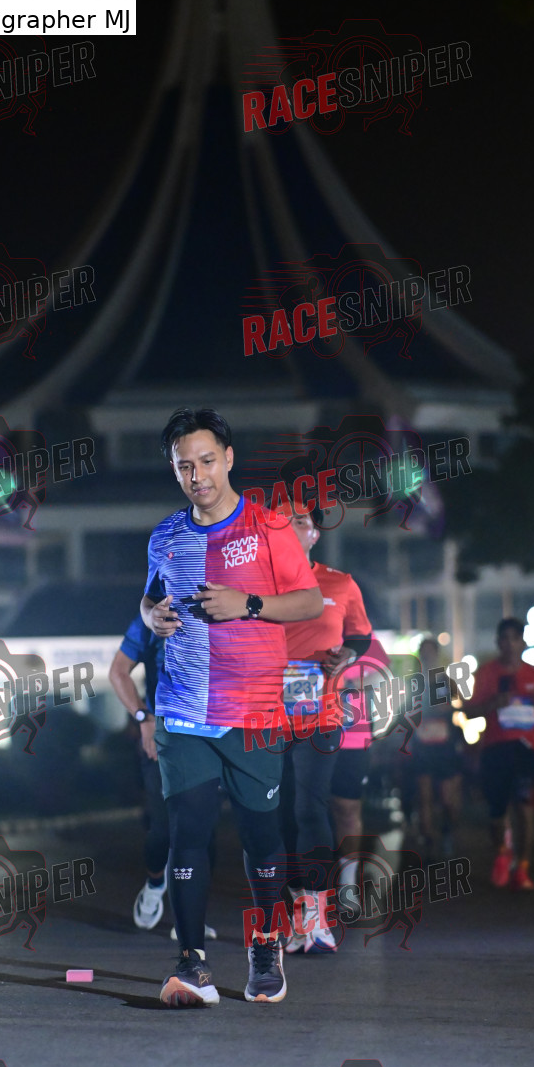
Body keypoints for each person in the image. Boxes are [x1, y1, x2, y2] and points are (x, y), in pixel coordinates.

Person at [141, 408, 322, 1006]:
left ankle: (265, 945)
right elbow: (148, 599)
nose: (197, 476)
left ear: (229, 459)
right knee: (187, 834)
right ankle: (192, 963)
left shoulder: (270, 527)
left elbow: (308, 602)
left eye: (207, 461)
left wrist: (248, 605)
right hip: (183, 711)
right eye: (184, 466)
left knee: (261, 836)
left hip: (253, 713)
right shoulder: (165, 535)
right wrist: (151, 615)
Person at [278, 505, 372, 954]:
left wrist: (348, 656)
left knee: (310, 807)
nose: (291, 527)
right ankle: (300, 909)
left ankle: (317, 916)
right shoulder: (256, 588)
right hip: (267, 718)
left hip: (322, 714)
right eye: (280, 522)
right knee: (279, 815)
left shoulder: (340, 583)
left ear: (315, 534)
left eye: (300, 521)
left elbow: (359, 636)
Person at [108, 614, 216, 937]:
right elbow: (118, 671)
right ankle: (156, 882)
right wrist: (144, 718)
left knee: (202, 826)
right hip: (163, 735)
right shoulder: (152, 616)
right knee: (162, 829)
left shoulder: (221, 609)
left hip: (209, 734)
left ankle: (191, 917)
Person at [464, 617, 534, 890]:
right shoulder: (486, 673)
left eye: (514, 638)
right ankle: (502, 853)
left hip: (526, 749)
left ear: (523, 642)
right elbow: (469, 710)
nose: (509, 644)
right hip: (495, 748)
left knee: (526, 806)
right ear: (498, 642)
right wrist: (492, 703)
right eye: (504, 638)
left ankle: (523, 867)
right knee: (497, 810)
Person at [408, 636, 464, 862]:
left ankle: (448, 832)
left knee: (448, 799)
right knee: (424, 796)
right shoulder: (413, 682)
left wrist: (444, 708)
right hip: (422, 746)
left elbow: (459, 702)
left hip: (444, 747)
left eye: (431, 652)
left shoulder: (446, 680)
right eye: (424, 652)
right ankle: (428, 841)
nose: (428, 656)